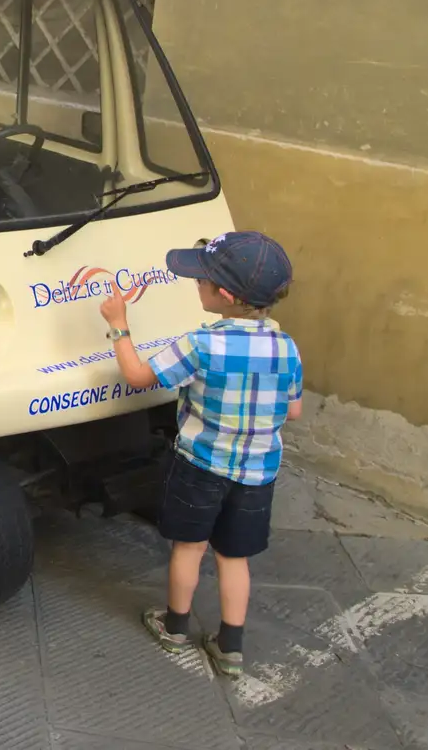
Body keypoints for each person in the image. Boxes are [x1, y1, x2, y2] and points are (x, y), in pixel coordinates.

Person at [99, 230, 301, 679]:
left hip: (199, 467)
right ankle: (230, 645)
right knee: (233, 557)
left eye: (201, 279)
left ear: (224, 295)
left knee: (188, 549)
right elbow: (295, 408)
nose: (196, 284)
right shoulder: (286, 348)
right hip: (257, 472)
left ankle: (174, 627)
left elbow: (136, 375)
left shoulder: (201, 344)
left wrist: (118, 322)